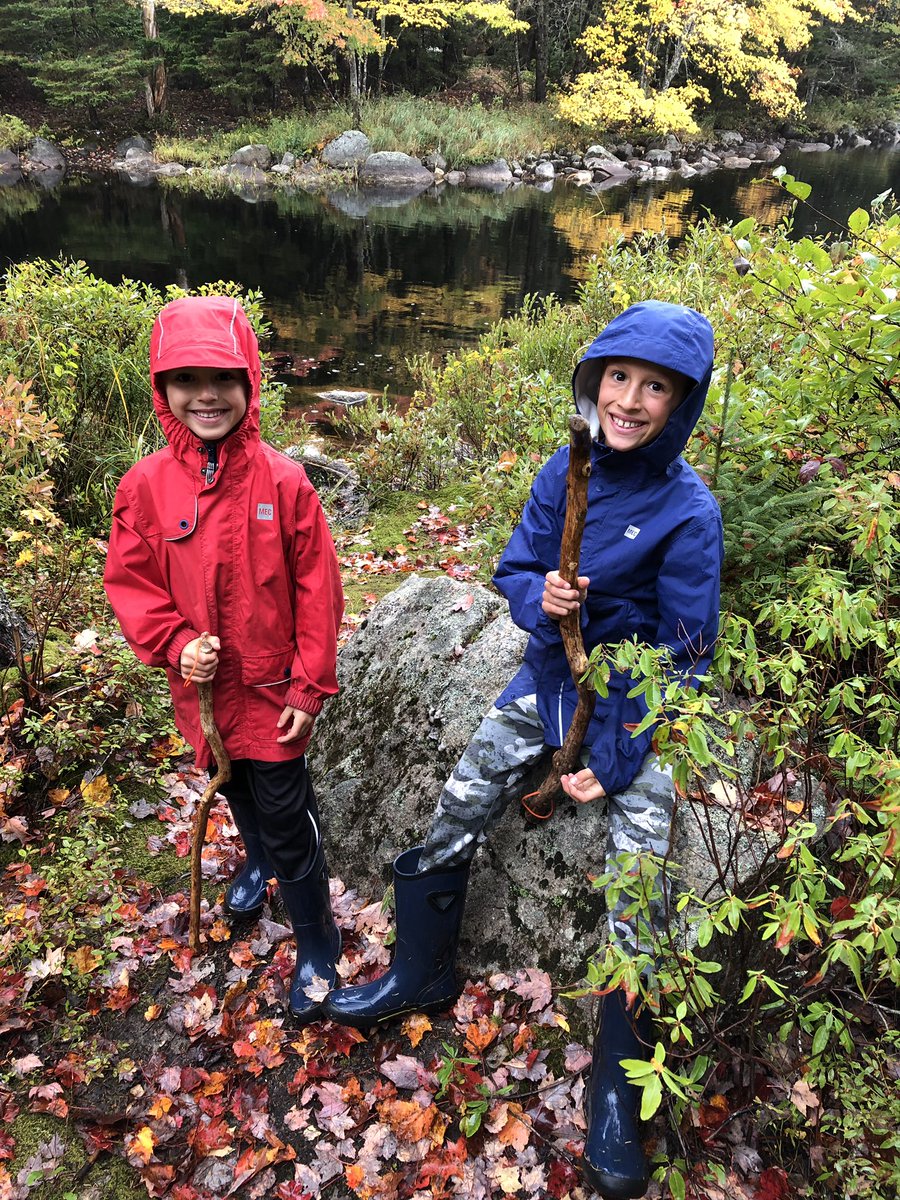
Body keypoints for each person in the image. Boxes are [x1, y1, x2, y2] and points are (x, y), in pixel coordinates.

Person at [324, 301, 722, 1199]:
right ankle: (420, 970)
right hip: (545, 678)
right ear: (591, 382)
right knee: (462, 796)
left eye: (654, 387)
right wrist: (534, 598)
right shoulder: (565, 465)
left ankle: (620, 1084)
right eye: (616, 378)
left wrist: (614, 755)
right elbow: (512, 569)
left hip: (630, 704)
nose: (628, 400)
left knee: (637, 866)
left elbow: (689, 654)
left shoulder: (691, 510)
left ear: (680, 405)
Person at [104, 295, 344, 1025]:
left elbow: (319, 591)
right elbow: (133, 581)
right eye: (186, 379)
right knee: (231, 786)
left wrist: (309, 684)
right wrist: (178, 644)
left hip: (274, 696)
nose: (205, 394)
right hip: (202, 700)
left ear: (249, 384)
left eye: (222, 377)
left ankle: (317, 940)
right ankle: (257, 862)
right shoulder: (144, 487)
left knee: (286, 811)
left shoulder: (284, 483)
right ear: (163, 389)